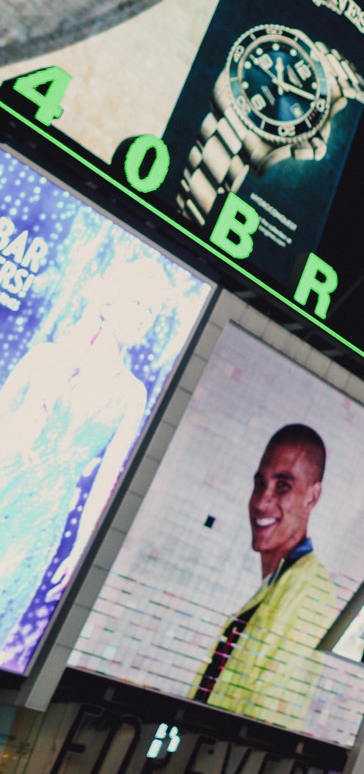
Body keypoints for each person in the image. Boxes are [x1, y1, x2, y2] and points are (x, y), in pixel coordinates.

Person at [0, 254, 171, 666]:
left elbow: (108, 477)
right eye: (137, 304)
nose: (143, 317)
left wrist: (79, 548)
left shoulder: (132, 394)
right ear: (110, 301)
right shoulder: (47, 357)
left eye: (151, 310)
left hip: (45, 514)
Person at [192, 424, 339, 728]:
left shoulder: (309, 591)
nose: (260, 502)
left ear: (312, 497)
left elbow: (269, 716)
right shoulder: (279, 584)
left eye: (282, 486)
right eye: (260, 484)